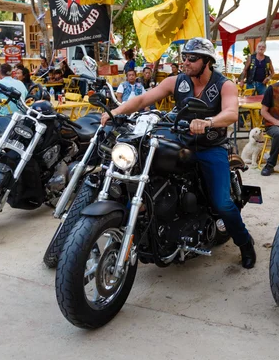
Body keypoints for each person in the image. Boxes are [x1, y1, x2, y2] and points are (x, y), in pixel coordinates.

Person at [100, 37, 257, 269]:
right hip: (180, 140)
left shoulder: (225, 85)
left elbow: (232, 113)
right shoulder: (177, 81)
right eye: (184, 57)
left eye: (192, 58)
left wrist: (208, 122)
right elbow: (144, 99)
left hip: (210, 147)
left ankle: (244, 243)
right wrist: (115, 111)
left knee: (223, 204)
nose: (186, 62)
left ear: (207, 61)